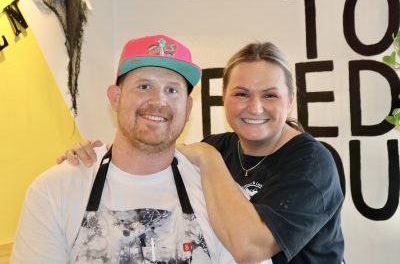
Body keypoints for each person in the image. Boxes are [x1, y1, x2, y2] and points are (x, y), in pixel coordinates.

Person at [58, 42, 345, 264]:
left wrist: (208, 159)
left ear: (291, 100)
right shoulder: (218, 145)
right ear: (225, 98)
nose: (255, 107)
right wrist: (94, 156)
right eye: (241, 94)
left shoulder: (312, 164)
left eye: (270, 95)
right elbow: (152, 155)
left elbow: (249, 249)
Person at [11, 34, 253, 264]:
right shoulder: (56, 190)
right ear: (115, 97)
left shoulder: (218, 196)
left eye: (172, 90)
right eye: (144, 86)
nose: (159, 101)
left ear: (188, 108)